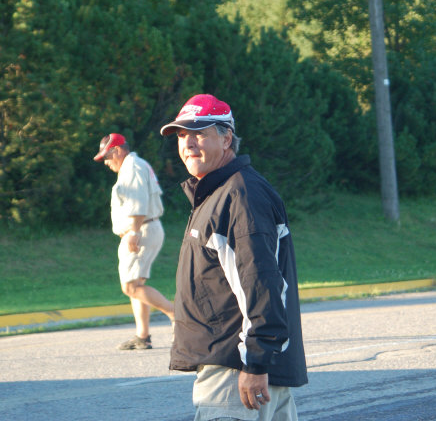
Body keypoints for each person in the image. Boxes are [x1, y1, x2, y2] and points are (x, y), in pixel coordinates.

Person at [160, 94, 308, 420]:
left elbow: (260, 281)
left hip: (235, 370)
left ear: (226, 138)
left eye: (199, 133)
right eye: (182, 135)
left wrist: (255, 362)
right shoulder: (220, 192)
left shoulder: (239, 194)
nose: (188, 144)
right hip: (249, 367)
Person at [94, 133, 174, 350]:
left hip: (141, 229)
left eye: (107, 157)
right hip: (143, 228)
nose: (106, 162)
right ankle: (142, 336)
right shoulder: (135, 166)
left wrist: (135, 232)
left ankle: (176, 315)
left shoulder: (132, 167)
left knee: (130, 286)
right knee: (137, 285)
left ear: (118, 150)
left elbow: (138, 201)